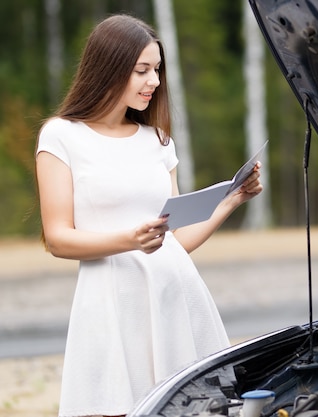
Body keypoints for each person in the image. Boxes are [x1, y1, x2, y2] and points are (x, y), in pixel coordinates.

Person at [35, 14, 263, 417]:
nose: (154, 81)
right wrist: (130, 241)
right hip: (111, 301)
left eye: (157, 69)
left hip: (177, 296)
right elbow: (57, 238)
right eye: (142, 70)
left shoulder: (158, 141)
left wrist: (230, 200)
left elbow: (174, 241)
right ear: (109, 68)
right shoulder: (61, 136)